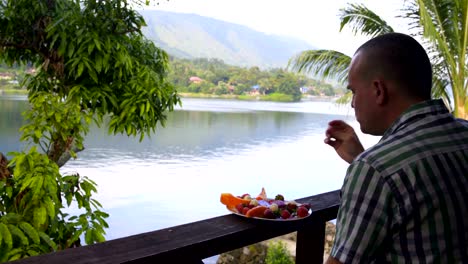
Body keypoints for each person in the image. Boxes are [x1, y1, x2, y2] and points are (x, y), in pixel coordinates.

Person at [324, 32, 468, 263]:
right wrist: (361, 158)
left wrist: (368, 165)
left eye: (354, 91)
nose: (352, 103)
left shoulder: (375, 169)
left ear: (379, 91)